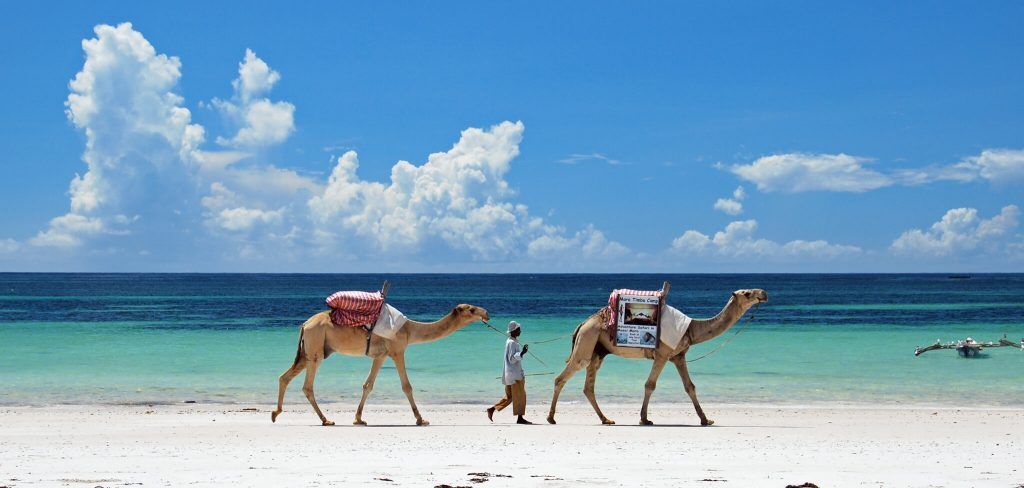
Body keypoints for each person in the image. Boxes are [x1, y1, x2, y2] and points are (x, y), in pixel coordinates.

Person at [487, 320, 532, 424]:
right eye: (518, 329)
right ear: (514, 331)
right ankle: (520, 419)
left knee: (509, 397)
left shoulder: (511, 341)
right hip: (515, 376)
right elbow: (512, 359)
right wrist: (522, 353)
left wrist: (521, 352)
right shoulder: (512, 343)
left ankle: (492, 409)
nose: (520, 331)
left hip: (509, 375)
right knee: (521, 396)